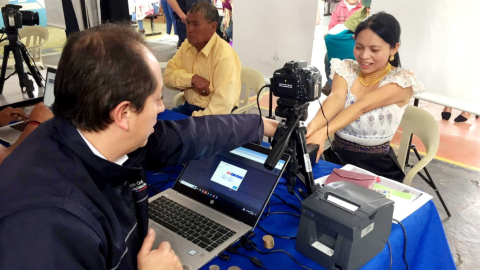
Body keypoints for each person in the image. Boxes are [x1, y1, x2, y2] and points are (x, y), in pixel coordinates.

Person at [0, 23, 277, 270]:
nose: (162, 109)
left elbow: (189, 135)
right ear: (123, 114)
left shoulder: (89, 131)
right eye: (157, 100)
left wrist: (259, 125)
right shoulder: (47, 228)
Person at [306, 12, 425, 182]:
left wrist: (323, 133)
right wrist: (311, 129)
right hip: (336, 159)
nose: (364, 56)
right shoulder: (346, 68)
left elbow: (361, 106)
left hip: (377, 168)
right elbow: (336, 98)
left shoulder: (401, 82)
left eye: (374, 49)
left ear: (394, 48)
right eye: (359, 47)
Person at [164, 1, 241, 116]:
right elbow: (168, 77)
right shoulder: (187, 45)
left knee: (168, 130)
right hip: (189, 108)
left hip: (214, 116)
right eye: (188, 23)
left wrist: (192, 122)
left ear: (213, 27)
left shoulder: (224, 56)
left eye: (195, 24)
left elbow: (221, 107)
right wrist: (192, 79)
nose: (189, 29)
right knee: (155, 125)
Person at [323, 0, 364, 96]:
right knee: (327, 57)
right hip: (341, 38)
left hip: (353, 40)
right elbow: (332, 26)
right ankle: (331, 80)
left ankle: (332, 83)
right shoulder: (338, 6)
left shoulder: (362, 8)